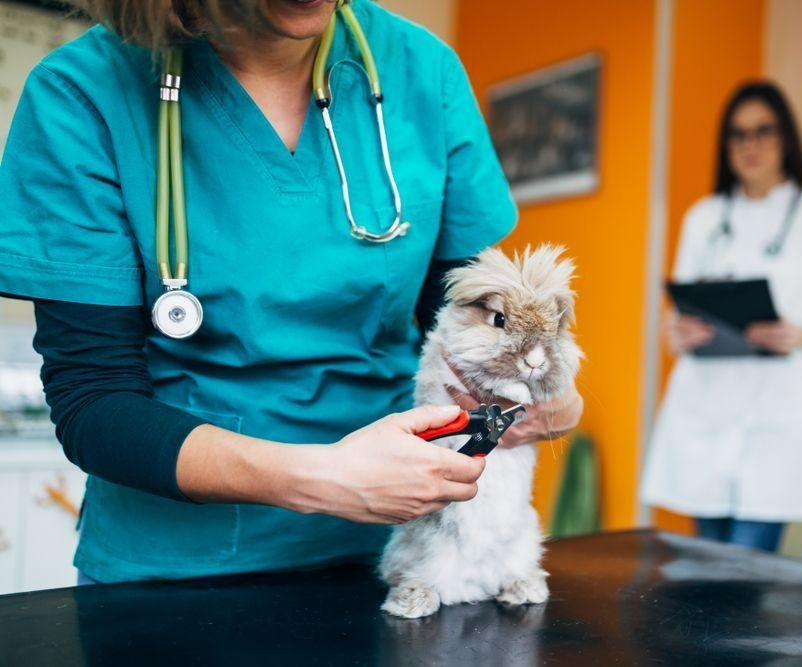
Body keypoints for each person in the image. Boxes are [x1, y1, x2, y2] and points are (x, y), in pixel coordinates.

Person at [0, 0, 582, 584]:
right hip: (179, 567)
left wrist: (549, 398)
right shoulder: (82, 92)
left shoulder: (422, 70)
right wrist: (321, 478)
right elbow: (94, 403)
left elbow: (470, 316)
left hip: (420, 549)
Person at [640, 81, 802, 553]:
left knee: (748, 569)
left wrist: (798, 335)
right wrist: (681, 331)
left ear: (786, 137)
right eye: (738, 134)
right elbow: (678, 318)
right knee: (706, 572)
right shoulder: (705, 217)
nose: (751, 145)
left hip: (779, 417)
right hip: (704, 408)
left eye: (763, 131)